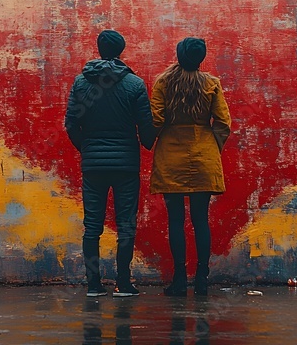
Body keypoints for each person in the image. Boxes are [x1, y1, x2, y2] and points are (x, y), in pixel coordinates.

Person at [65, 29, 157, 298]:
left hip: (93, 166)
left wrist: (88, 149)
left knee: (92, 226)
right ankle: (123, 283)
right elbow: (146, 127)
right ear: (122, 49)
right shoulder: (135, 84)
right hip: (126, 165)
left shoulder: (81, 83)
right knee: (126, 224)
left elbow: (71, 124)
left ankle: (93, 284)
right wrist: (150, 142)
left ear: (99, 48)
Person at [149, 37, 231, 296]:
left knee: (175, 220)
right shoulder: (212, 83)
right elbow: (223, 122)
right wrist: (211, 147)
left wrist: (151, 140)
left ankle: (180, 279)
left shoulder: (164, 81)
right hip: (203, 155)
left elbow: (157, 118)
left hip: (171, 155)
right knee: (200, 220)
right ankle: (202, 281)